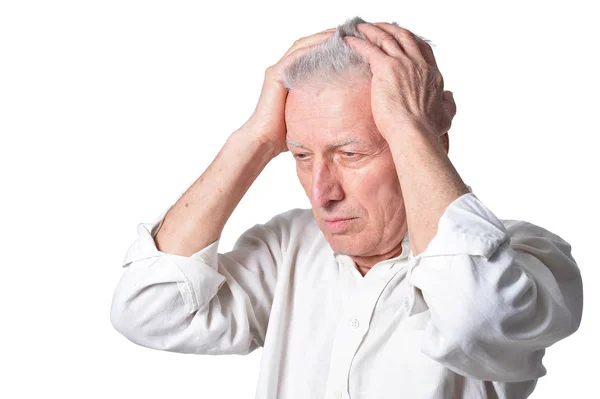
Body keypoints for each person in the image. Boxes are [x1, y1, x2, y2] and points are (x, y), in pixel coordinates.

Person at [110, 16, 583, 399]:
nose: (321, 192)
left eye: (351, 154)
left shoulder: (528, 260)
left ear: (432, 137)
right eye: (300, 156)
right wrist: (255, 137)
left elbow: (473, 316)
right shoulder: (288, 249)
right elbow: (148, 309)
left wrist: (409, 127)